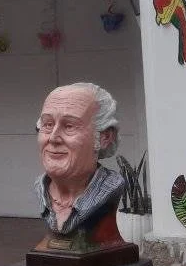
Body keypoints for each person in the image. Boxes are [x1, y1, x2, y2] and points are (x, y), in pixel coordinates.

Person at [34, 82, 125, 241]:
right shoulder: (40, 188)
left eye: (69, 126)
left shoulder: (113, 188)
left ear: (104, 138)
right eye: (48, 124)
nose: (53, 138)